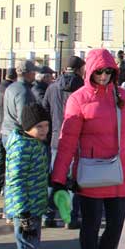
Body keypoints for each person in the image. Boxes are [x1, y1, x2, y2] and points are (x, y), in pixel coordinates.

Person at [50, 49, 125, 249]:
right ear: (89, 72)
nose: (103, 76)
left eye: (108, 72)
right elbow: (67, 141)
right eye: (99, 72)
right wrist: (59, 177)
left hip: (118, 173)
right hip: (91, 173)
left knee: (116, 227)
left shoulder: (121, 96)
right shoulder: (78, 99)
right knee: (90, 228)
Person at [4, 103, 53, 249]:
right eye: (39, 126)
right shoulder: (22, 147)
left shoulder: (34, 144)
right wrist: (22, 213)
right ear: (26, 127)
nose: (44, 130)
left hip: (34, 208)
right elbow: (16, 182)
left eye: (46, 125)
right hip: (26, 211)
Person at [42, 56, 85, 229]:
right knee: (75, 179)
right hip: (77, 140)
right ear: (78, 69)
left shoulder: (52, 88)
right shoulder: (83, 88)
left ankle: (48, 215)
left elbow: (44, 111)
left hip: (56, 140)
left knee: (55, 178)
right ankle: (71, 217)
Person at [0, 69, 16, 195]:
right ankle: (6, 187)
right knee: (10, 161)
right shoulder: (11, 91)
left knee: (0, 161)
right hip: (8, 130)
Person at [1, 60, 39, 143]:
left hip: (7, 132)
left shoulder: (11, 87)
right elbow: (24, 118)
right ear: (27, 73)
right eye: (34, 72)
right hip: (18, 136)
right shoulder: (24, 91)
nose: (35, 74)